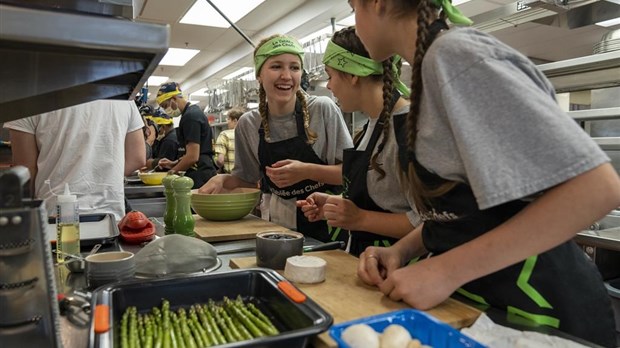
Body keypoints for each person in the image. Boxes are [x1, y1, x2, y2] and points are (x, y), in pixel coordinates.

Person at [349, 0, 620, 346]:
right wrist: (401, 251)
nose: (355, 22)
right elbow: (464, 209)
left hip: (545, 315)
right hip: (490, 313)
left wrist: (445, 271)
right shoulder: (426, 71)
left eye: (353, 6)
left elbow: (597, 188)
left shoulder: (454, 55)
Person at [199, 34, 354, 243]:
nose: (287, 75)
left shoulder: (322, 110)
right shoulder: (248, 124)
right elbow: (248, 179)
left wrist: (305, 170)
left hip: (325, 221)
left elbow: (351, 174)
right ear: (259, 75)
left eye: (294, 67)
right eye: (276, 66)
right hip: (276, 223)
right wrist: (224, 179)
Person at [296, 27, 419, 257]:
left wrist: (361, 219)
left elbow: (431, 222)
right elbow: (388, 197)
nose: (329, 86)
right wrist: (337, 204)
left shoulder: (409, 130)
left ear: (353, 75)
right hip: (367, 260)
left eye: (330, 76)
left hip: (403, 269)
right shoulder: (370, 128)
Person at [4, 99, 145, 220]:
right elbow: (137, 158)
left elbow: (25, 172)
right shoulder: (124, 98)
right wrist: (101, 177)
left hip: (54, 218)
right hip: (110, 217)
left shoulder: (29, 97)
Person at [156, 82, 217, 188]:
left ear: (174, 98)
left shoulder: (191, 117)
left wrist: (171, 173)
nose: (167, 110)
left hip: (199, 174)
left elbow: (192, 157)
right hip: (199, 170)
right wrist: (173, 163)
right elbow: (190, 152)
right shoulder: (190, 114)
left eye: (166, 106)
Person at [214, 107, 244, 174]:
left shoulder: (224, 135)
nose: (227, 122)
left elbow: (220, 161)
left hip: (231, 177)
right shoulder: (249, 134)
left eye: (228, 119)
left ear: (235, 120)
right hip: (249, 178)